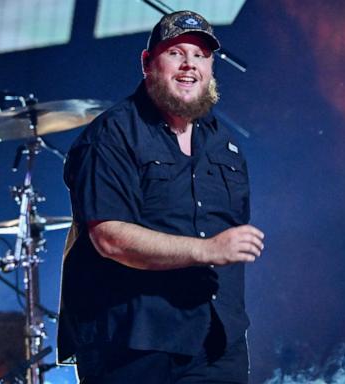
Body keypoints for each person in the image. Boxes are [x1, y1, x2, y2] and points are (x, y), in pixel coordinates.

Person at [57, 10, 265, 384]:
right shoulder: (112, 135)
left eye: (200, 55)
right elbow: (110, 238)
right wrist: (206, 250)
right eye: (176, 53)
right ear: (147, 63)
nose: (190, 65)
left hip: (218, 341)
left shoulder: (224, 143)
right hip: (133, 344)